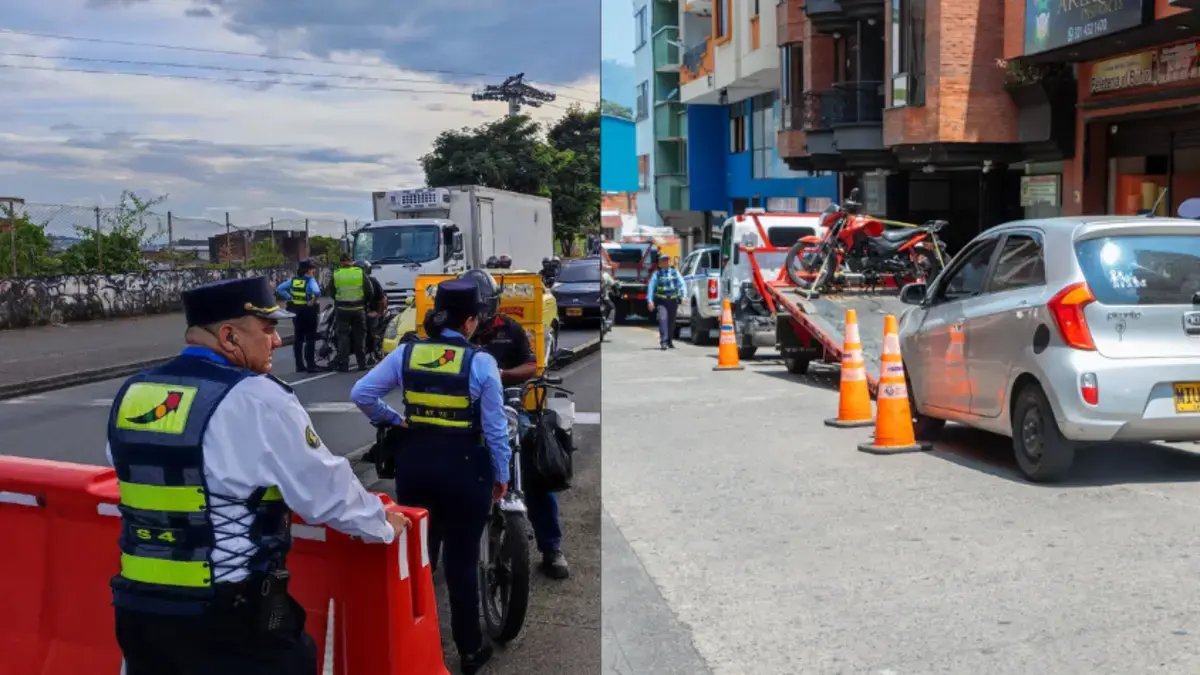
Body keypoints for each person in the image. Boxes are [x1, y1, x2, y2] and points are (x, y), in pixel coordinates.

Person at [106, 276, 409, 675]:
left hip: (139, 613)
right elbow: (323, 490)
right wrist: (381, 523)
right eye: (267, 330)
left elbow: (131, 473)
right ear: (229, 336)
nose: (277, 341)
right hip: (230, 619)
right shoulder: (258, 398)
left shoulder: (136, 392)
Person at [350, 279, 509, 674]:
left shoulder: (406, 354)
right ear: (470, 321)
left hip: (416, 466)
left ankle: (412, 646)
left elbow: (362, 394)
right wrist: (502, 476)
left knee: (418, 560)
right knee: (461, 562)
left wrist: (395, 420)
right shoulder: (481, 363)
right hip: (466, 471)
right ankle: (470, 651)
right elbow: (495, 431)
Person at [463, 269, 570, 580]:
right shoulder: (457, 335)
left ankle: (552, 547)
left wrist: (501, 375)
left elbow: (531, 365)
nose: (483, 314)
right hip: (466, 415)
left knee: (538, 473)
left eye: (487, 306)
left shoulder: (509, 329)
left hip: (508, 410)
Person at [329, 253, 373, 371]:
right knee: (360, 336)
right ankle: (362, 364)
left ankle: (344, 365)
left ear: (341, 262)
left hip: (342, 310)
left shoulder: (336, 274)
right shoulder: (359, 272)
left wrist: (339, 301)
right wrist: (364, 303)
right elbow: (369, 290)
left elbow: (331, 291)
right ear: (351, 261)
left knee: (343, 337)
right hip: (358, 309)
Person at [275, 259, 321, 372]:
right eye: (312, 268)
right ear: (308, 270)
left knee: (298, 339)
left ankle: (299, 365)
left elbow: (280, 288)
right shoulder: (310, 281)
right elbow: (317, 291)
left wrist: (289, 298)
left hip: (296, 311)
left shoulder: (294, 280)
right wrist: (313, 300)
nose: (314, 270)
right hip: (308, 311)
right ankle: (311, 364)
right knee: (310, 338)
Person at [646, 255, 686, 350]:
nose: (665, 262)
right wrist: (650, 301)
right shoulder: (657, 274)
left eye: (667, 260)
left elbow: (682, 284)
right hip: (662, 301)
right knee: (663, 320)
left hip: (673, 300)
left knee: (671, 322)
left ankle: (669, 341)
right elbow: (651, 288)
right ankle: (663, 342)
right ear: (659, 263)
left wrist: (684, 296)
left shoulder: (675, 273)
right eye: (663, 261)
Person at [359, 261, 387, 362]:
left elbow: (382, 299)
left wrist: (378, 313)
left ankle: (371, 354)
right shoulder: (354, 282)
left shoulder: (372, 281)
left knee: (371, 330)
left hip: (372, 311)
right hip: (358, 312)